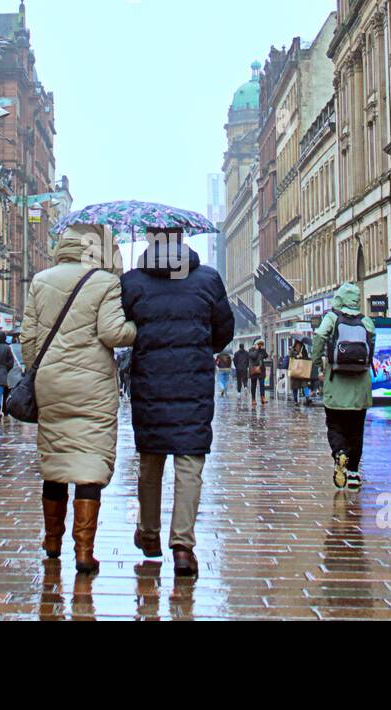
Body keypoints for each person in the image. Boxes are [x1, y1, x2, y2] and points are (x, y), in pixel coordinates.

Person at [22, 224, 136, 574]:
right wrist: (137, 329)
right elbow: (112, 333)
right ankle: (84, 552)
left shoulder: (41, 280)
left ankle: (52, 542)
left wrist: (39, 372)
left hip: (51, 382)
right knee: (90, 464)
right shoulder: (105, 282)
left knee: (55, 460)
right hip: (93, 387)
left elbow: (29, 340)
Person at [122, 227, 233, 578]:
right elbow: (224, 331)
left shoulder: (132, 282)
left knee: (150, 462)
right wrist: (200, 349)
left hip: (150, 384)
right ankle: (183, 547)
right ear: (182, 239)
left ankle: (150, 535)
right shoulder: (208, 279)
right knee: (189, 465)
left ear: (152, 241)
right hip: (193, 385)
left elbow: (122, 328)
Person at [311, 283, 376, 490]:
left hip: (335, 383)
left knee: (334, 425)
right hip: (360, 387)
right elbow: (371, 345)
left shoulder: (331, 318)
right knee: (356, 429)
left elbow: (320, 335)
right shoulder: (366, 322)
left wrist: (317, 359)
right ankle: (354, 473)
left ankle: (340, 453)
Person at [288, 340, 312, 404]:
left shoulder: (304, 350)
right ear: (295, 345)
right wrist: (296, 356)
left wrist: (303, 357)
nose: (298, 346)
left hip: (302, 371)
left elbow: (306, 359)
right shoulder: (292, 351)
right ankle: (295, 400)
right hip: (295, 371)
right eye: (297, 345)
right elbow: (290, 358)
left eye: (300, 345)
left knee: (304, 384)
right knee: (295, 386)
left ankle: (307, 398)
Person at [248, 339, 269, 405]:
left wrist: (263, 349)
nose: (260, 345)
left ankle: (263, 397)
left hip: (261, 370)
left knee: (262, 384)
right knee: (253, 385)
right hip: (253, 370)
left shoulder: (262, 350)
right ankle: (253, 399)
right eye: (258, 344)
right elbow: (253, 356)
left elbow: (266, 356)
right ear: (255, 344)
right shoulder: (251, 350)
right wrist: (256, 349)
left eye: (261, 344)